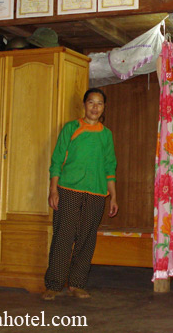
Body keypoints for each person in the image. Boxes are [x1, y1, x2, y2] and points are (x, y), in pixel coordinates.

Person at [42, 88, 118, 300]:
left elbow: (109, 166)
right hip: (68, 191)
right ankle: (54, 285)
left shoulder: (106, 135)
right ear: (84, 105)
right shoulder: (71, 128)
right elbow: (57, 160)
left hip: (96, 193)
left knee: (86, 239)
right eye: (91, 102)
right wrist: (53, 189)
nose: (95, 107)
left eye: (99, 103)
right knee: (63, 237)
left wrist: (113, 196)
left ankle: (77, 284)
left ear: (104, 108)